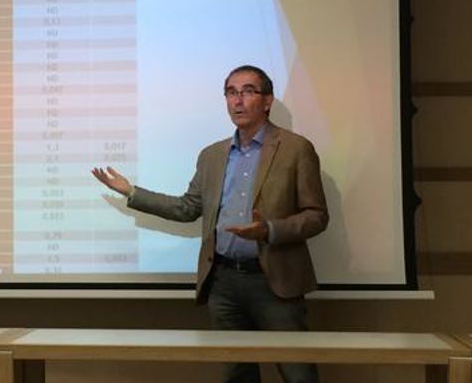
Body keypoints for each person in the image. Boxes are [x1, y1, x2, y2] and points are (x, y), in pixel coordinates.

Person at [91, 65, 328, 383]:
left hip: (274, 282)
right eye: (231, 92)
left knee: (298, 373)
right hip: (224, 282)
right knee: (236, 374)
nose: (238, 100)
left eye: (247, 91)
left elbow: (316, 215)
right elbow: (187, 208)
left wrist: (269, 230)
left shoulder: (296, 149)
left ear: (268, 100)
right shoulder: (212, 156)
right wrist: (132, 192)